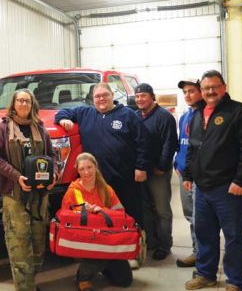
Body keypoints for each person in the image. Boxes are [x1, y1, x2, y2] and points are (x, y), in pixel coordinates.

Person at [55, 82, 151, 269]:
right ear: (92, 99)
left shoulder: (128, 115)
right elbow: (62, 112)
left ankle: (133, 251)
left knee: (130, 215)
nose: (101, 99)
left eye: (104, 95)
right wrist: (63, 120)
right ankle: (108, 251)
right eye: (97, 96)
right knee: (103, 218)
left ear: (112, 95)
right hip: (98, 181)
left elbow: (143, 143)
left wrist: (141, 167)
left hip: (125, 178)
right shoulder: (85, 113)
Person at [183, 70, 242, 291]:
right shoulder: (197, 115)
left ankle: (235, 281)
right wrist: (188, 175)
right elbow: (193, 148)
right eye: (206, 88)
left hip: (229, 188)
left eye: (215, 87)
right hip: (202, 189)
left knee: (233, 237)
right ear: (202, 91)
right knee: (204, 234)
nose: (210, 91)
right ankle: (206, 274)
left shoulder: (239, 113)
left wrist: (241, 181)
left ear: (224, 87)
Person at [0, 89, 57, 291]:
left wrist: (53, 175)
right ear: (14, 103)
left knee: (38, 244)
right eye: (20, 100)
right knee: (19, 245)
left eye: (27, 101)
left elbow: (51, 155)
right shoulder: (3, 129)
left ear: (32, 104)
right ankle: (24, 287)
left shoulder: (40, 128)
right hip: (14, 194)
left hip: (39, 195)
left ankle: (30, 282)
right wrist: (16, 177)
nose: (23, 104)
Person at [61, 152, 132, 291]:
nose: (86, 172)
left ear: (96, 167)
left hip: (107, 239)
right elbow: (65, 221)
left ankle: (102, 265)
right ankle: (83, 277)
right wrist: (81, 212)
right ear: (77, 170)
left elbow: (120, 214)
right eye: (82, 169)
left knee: (125, 280)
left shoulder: (106, 189)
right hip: (84, 242)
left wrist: (103, 211)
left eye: (89, 167)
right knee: (97, 256)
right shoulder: (72, 192)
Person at [134, 83, 178, 261]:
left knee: (162, 210)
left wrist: (162, 166)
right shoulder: (136, 116)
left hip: (158, 171)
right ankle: (151, 241)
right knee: (145, 208)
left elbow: (170, 144)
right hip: (141, 170)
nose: (140, 99)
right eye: (137, 97)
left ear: (152, 97)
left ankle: (164, 245)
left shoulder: (164, 117)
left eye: (143, 96)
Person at [174, 78, 204, 267]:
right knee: (190, 216)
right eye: (185, 92)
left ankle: (203, 256)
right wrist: (177, 164)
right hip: (184, 174)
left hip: (198, 177)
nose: (187, 95)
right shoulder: (186, 116)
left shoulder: (205, 115)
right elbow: (183, 144)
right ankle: (198, 252)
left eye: (191, 91)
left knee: (200, 218)